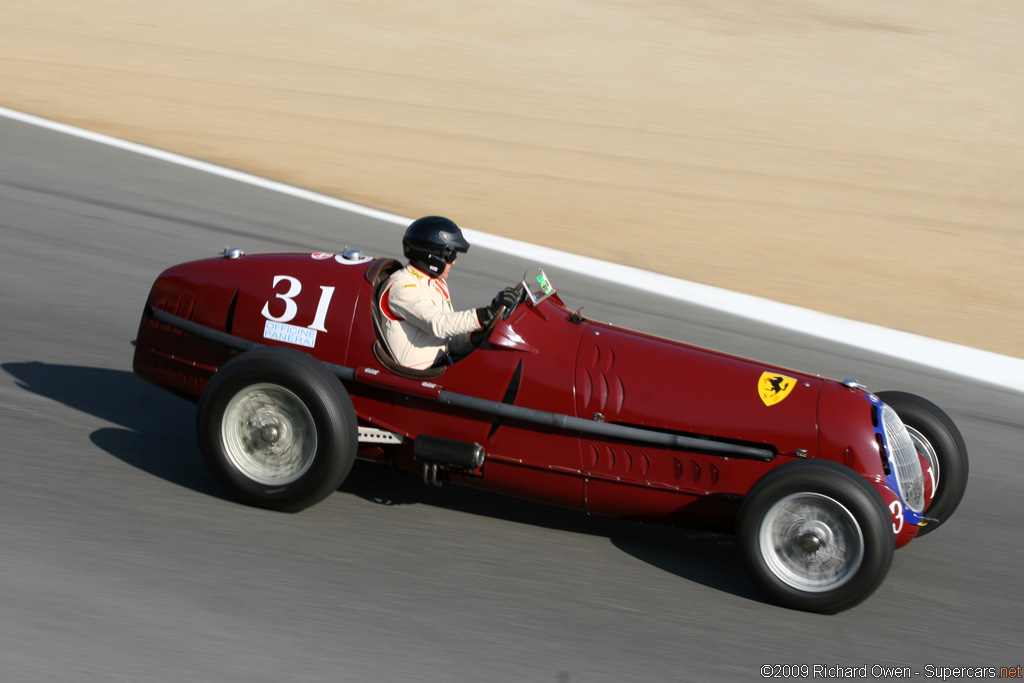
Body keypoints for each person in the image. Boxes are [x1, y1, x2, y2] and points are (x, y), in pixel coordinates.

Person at [377, 216, 519, 369]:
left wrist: (477, 338)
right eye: (450, 255)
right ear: (432, 256)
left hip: (443, 365)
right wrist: (486, 313)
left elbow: (448, 340)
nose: (454, 261)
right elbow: (439, 324)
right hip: (416, 378)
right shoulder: (401, 287)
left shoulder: (436, 282)